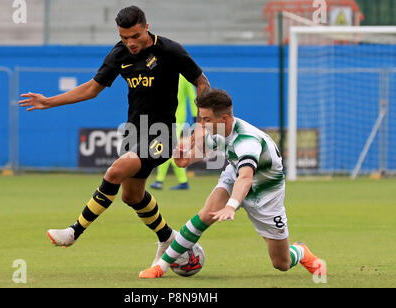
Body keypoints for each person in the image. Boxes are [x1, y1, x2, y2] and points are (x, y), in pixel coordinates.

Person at [18, 6, 210, 266]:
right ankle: (167, 238)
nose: (130, 43)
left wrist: (200, 126)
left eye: (135, 36)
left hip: (162, 133)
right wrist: (49, 102)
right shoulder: (119, 54)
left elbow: (201, 81)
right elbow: (91, 88)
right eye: (124, 37)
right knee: (131, 196)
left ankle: (74, 232)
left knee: (114, 172)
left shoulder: (170, 50)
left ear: (146, 27)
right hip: (134, 132)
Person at [139, 89, 326, 278]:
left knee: (281, 263)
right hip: (235, 174)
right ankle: (160, 267)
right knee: (206, 214)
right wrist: (184, 159)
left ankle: (301, 251)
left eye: (206, 119)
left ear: (224, 118)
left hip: (266, 192)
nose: (201, 124)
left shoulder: (247, 141)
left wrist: (231, 205)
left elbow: (246, 177)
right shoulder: (218, 130)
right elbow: (200, 153)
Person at [150, 74, 197, 190]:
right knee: (166, 148)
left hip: (177, 119)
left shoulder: (182, 76)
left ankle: (161, 180)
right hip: (165, 118)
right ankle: (180, 181)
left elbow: (192, 98)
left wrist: (196, 116)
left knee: (168, 149)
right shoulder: (169, 75)